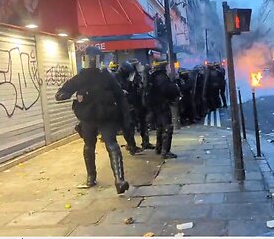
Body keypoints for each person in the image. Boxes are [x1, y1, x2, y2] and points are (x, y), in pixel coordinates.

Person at [55, 46, 129, 194]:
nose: (92, 61)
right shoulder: (99, 77)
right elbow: (61, 93)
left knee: (97, 146)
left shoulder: (92, 77)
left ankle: (100, 178)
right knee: (102, 145)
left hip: (99, 116)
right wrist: (69, 95)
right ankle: (114, 179)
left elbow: (119, 95)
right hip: (94, 116)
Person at [145, 60, 180, 159]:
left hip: (156, 105)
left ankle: (159, 147)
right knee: (167, 127)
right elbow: (167, 90)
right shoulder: (162, 77)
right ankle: (165, 151)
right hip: (162, 105)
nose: (169, 69)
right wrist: (175, 87)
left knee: (160, 127)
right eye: (167, 67)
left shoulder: (155, 76)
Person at [112, 61, 143, 155]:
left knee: (130, 126)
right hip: (121, 106)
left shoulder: (124, 77)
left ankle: (132, 145)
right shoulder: (115, 77)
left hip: (128, 104)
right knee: (127, 127)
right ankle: (131, 145)